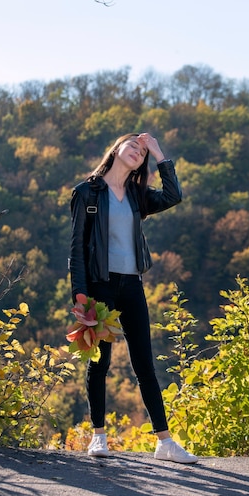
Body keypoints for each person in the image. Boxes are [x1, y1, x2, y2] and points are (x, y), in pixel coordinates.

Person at [69, 132, 197, 464]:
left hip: (132, 285)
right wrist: (80, 298)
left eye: (142, 153)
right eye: (134, 147)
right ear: (116, 148)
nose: (138, 153)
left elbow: (174, 195)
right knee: (101, 363)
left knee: (144, 364)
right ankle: (98, 436)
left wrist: (157, 151)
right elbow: (77, 251)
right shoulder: (87, 193)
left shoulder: (138, 195)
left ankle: (165, 442)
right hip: (100, 286)